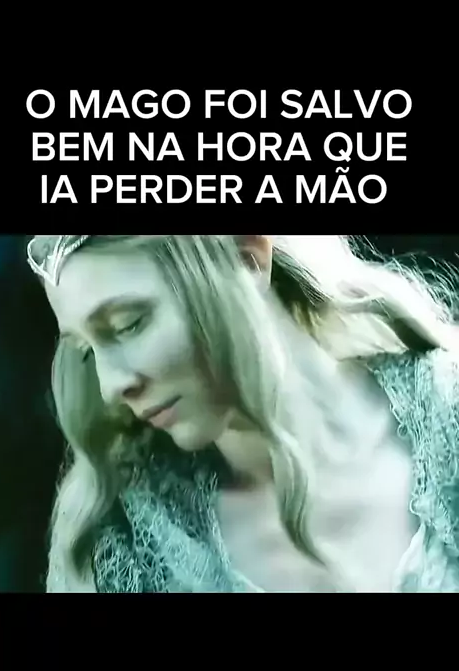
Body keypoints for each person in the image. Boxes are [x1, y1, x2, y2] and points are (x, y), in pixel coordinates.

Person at [26, 234, 459, 593]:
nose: (110, 387)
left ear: (247, 258)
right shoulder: (123, 543)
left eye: (128, 324)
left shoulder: (447, 413)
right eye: (87, 350)